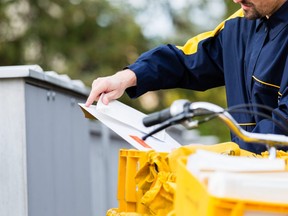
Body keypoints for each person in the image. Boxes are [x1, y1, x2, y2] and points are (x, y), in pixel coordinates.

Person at [85, 0, 288, 154]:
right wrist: (128, 76)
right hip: (244, 182)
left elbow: (283, 124)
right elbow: (187, 61)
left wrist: (227, 155)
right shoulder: (238, 26)